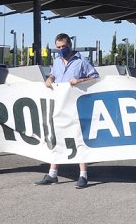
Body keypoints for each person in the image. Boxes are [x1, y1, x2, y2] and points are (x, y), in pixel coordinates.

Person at [34, 33, 100, 189]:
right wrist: (49, 79)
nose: (60, 49)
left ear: (69, 45)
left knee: (78, 139)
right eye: (58, 47)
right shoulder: (57, 62)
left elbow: (96, 77)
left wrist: (80, 80)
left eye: (63, 46)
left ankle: (83, 175)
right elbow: (53, 74)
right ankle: (52, 174)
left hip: (76, 106)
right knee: (55, 138)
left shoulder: (82, 62)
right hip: (60, 105)